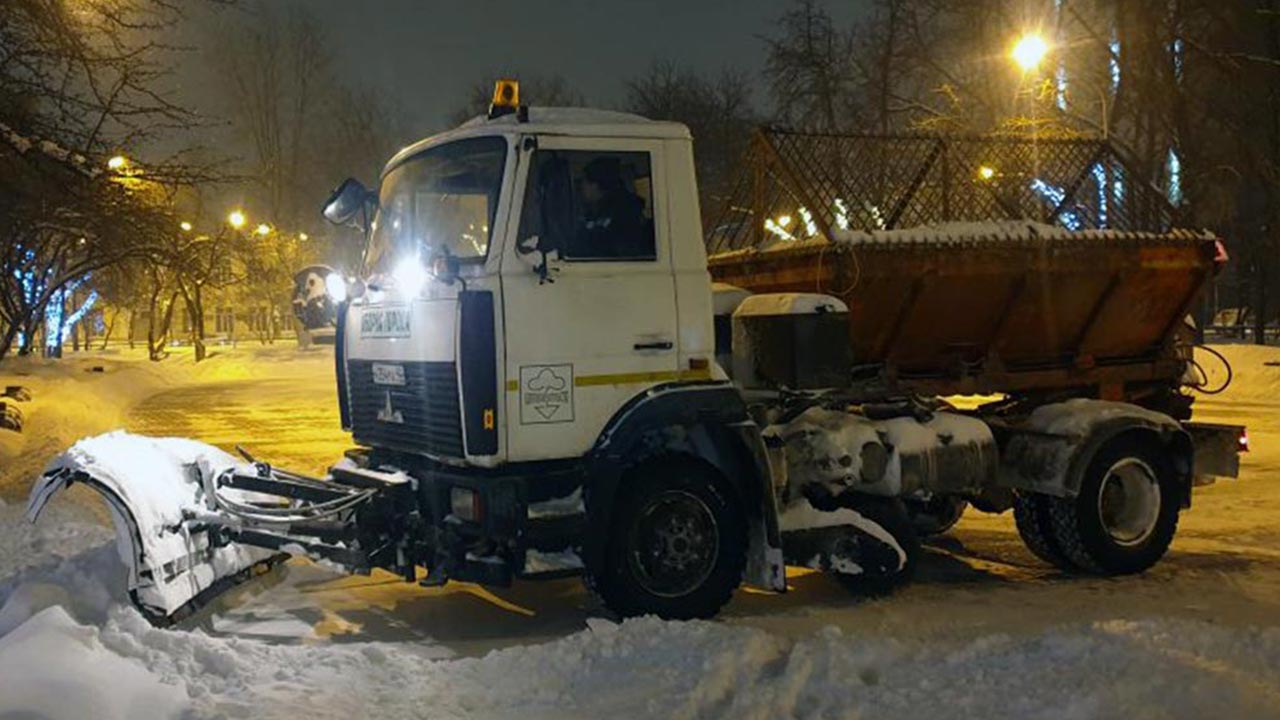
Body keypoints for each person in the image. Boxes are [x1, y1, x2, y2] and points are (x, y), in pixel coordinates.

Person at [575, 156, 649, 258]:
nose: (581, 188)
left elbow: (620, 251)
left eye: (583, 183)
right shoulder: (595, 212)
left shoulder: (624, 213)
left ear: (595, 185)